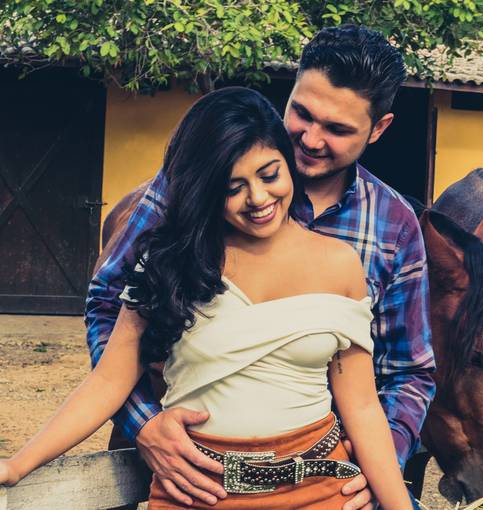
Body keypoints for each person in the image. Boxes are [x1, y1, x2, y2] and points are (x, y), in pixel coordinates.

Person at [0, 87, 413, 510]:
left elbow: (363, 408)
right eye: (233, 187)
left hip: (318, 491)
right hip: (197, 492)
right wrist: (16, 466)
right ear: (205, 190)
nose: (258, 199)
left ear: (288, 164)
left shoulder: (340, 264)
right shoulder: (171, 263)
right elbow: (107, 382)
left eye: (269, 174)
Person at [85, 24, 435, 509]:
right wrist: (144, 423)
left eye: (337, 129)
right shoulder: (193, 183)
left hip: (326, 480)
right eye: (302, 113)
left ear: (379, 129)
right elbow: (110, 304)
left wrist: (378, 464)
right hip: (200, 475)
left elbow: (408, 370)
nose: (310, 139)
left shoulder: (394, 225)